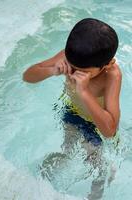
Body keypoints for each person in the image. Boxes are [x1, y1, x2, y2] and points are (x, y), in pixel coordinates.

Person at [22, 18, 122, 199]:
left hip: (95, 124)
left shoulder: (111, 76)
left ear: (107, 64)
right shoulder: (70, 58)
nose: (74, 73)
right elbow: (28, 77)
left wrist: (84, 92)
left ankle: (101, 180)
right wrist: (51, 70)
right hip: (72, 113)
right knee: (68, 151)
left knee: (96, 165)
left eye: (83, 72)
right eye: (72, 68)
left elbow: (110, 130)